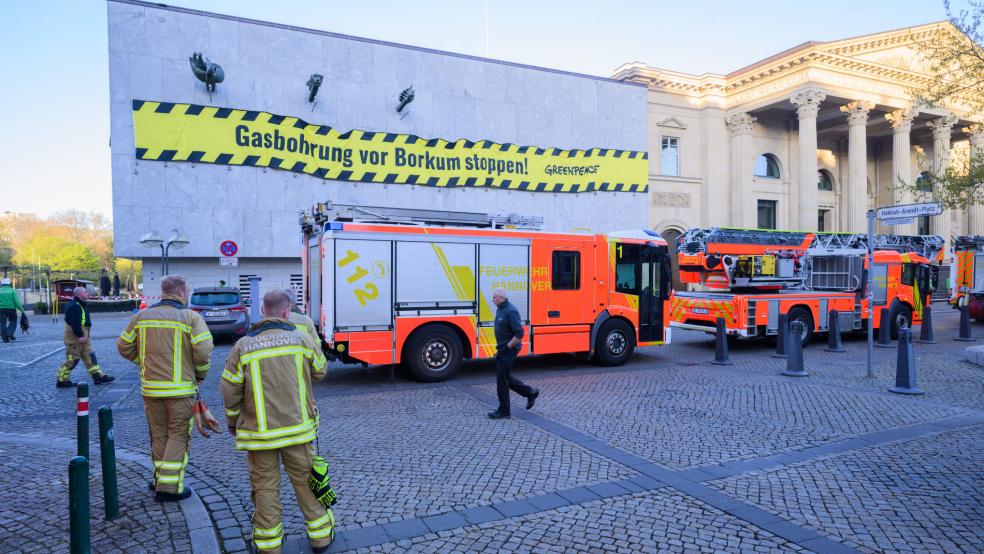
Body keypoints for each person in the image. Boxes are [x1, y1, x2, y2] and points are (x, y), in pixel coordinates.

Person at [222, 289, 334, 553]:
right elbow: (320, 372)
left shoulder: (243, 346)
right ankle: (320, 538)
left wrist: (232, 419)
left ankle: (268, 545)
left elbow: (229, 389)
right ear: (287, 312)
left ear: (263, 311)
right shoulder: (302, 339)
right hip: (298, 430)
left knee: (264, 487)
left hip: (259, 435)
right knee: (306, 483)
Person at [117, 275, 215, 501]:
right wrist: (199, 374)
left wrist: (144, 361)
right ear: (181, 292)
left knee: (158, 435)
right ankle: (170, 488)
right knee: (178, 435)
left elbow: (123, 346)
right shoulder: (190, 317)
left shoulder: (142, 316)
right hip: (180, 391)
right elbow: (203, 351)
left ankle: (160, 479)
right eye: (187, 290)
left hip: (150, 389)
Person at [487, 287, 539, 419]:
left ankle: (504, 411)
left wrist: (507, 348)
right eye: (493, 297)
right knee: (506, 378)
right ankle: (530, 393)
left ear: (502, 298)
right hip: (503, 349)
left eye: (494, 298)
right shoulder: (501, 309)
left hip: (508, 350)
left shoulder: (510, 311)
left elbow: (519, 333)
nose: (493, 300)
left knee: (501, 379)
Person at [55, 286, 116, 387]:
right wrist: (80, 335)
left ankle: (98, 377)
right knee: (72, 360)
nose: (88, 293)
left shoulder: (80, 304)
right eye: (85, 291)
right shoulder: (75, 306)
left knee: (89, 356)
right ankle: (61, 380)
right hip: (76, 336)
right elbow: (75, 323)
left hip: (84, 334)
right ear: (79, 295)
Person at [0, 277, 24, 343]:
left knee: (2, 323)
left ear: (2, 284)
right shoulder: (12, 291)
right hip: (11, 309)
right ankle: (9, 332)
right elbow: (16, 302)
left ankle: (4, 337)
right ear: (9, 284)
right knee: (13, 321)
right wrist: (21, 310)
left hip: (1, 309)